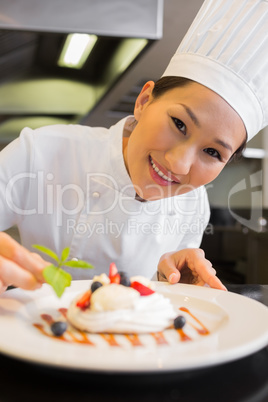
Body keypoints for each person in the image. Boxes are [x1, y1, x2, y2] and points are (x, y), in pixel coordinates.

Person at [0, 0, 267, 295]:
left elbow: (163, 301)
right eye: (179, 124)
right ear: (143, 101)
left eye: (213, 152)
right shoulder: (40, 151)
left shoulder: (193, 205)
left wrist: (173, 284)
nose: (179, 164)